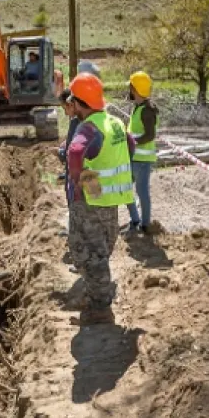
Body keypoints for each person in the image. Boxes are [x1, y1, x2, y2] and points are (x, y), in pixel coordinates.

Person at [65, 73, 136, 325]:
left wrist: (79, 181)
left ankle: (100, 310)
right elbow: (131, 144)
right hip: (112, 198)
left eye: (71, 100)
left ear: (79, 102)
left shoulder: (89, 127)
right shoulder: (114, 121)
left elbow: (75, 152)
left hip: (93, 198)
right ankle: (97, 297)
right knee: (101, 250)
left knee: (86, 252)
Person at [126, 71, 159, 235]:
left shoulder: (147, 110)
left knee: (141, 191)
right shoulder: (138, 108)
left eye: (131, 87)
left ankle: (145, 224)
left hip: (142, 160)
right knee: (125, 189)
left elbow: (150, 135)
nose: (129, 90)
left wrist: (132, 141)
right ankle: (135, 219)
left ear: (135, 89)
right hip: (133, 157)